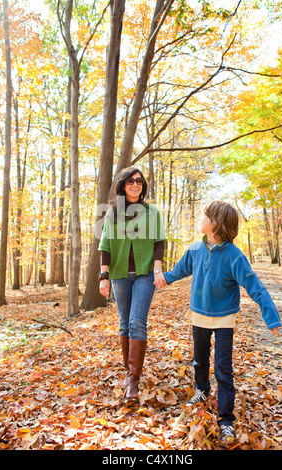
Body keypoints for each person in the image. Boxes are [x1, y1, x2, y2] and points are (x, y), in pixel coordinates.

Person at [155, 200, 282, 444]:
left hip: (224, 318)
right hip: (199, 315)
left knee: (223, 368)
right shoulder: (195, 249)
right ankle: (202, 391)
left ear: (216, 223)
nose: (199, 220)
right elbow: (178, 271)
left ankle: (226, 419)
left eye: (204, 216)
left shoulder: (235, 257)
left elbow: (256, 288)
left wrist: (271, 318)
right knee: (199, 359)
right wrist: (162, 279)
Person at [98, 167, 166, 401]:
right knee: (124, 324)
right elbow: (105, 245)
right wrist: (103, 275)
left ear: (143, 185)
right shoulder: (112, 213)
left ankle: (133, 381)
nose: (135, 184)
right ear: (123, 185)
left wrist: (158, 269)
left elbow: (159, 242)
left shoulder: (152, 212)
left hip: (145, 273)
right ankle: (129, 373)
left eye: (139, 181)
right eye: (130, 181)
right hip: (118, 274)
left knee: (137, 321)